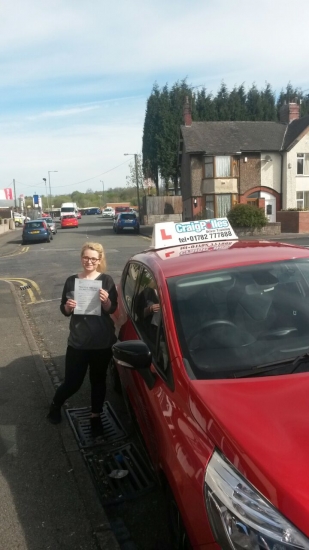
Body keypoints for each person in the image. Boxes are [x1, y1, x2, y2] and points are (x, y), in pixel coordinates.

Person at [47, 242, 118, 437]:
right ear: (81, 258)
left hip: (102, 342)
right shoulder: (72, 281)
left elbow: (112, 309)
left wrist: (107, 301)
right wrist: (69, 307)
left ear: (99, 260)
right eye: (86, 257)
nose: (89, 261)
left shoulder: (107, 280)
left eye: (93, 258)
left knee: (98, 380)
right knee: (73, 382)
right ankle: (55, 405)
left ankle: (95, 416)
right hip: (78, 342)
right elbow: (64, 309)